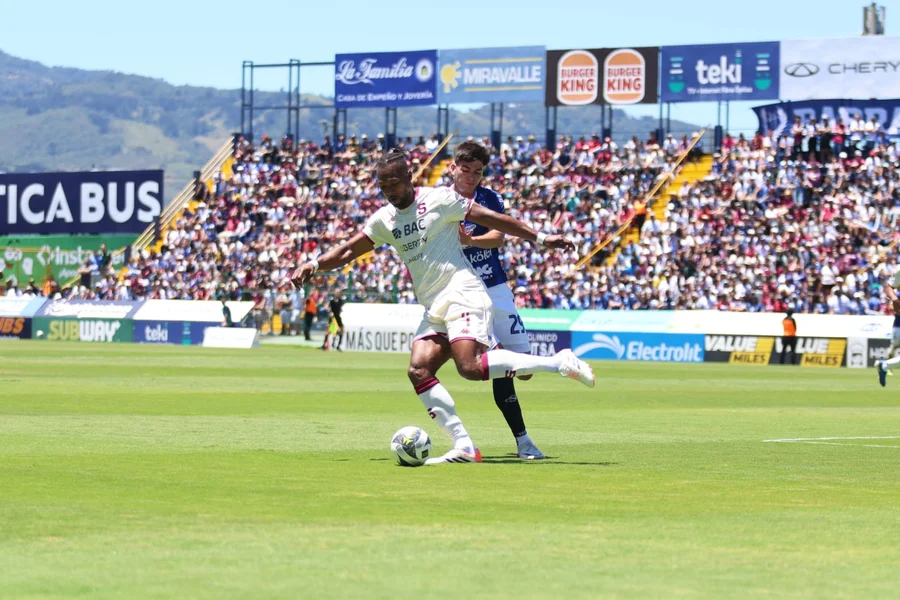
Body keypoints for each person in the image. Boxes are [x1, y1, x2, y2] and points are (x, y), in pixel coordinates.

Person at [291, 150, 594, 465]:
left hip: (464, 292)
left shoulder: (440, 200)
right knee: (419, 370)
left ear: (410, 177)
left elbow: (492, 220)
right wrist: (313, 263)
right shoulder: (384, 219)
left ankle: (557, 362)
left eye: (394, 183)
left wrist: (541, 237)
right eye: (383, 186)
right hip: (434, 307)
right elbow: (349, 250)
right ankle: (464, 446)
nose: (389, 191)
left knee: (470, 367)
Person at [451, 140, 544, 460]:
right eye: (466, 170)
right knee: (500, 363)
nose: (472, 177)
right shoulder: (439, 200)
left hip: (497, 287)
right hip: (465, 293)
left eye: (478, 172)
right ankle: (524, 442)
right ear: (454, 167)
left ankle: (505, 361)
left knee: (525, 368)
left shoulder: (490, 199)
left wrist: (470, 240)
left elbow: (499, 237)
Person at [877, 277, 900, 387]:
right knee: (894, 347)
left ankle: (885, 365)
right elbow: (889, 288)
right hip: (898, 326)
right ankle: (885, 365)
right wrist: (895, 300)